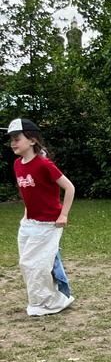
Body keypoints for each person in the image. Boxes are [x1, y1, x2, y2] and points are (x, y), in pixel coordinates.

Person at [7, 118, 75, 316]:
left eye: (17, 139)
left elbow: (69, 188)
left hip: (48, 224)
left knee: (35, 263)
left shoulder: (44, 164)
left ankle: (49, 302)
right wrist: (26, 215)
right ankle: (42, 300)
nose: (13, 143)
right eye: (11, 139)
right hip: (29, 223)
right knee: (27, 263)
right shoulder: (17, 164)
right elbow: (29, 194)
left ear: (32, 140)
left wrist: (63, 215)